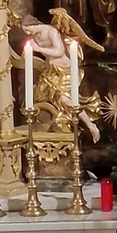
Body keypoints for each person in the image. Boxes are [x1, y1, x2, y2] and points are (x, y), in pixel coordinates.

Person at [23, 12, 103, 142]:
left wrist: (38, 49)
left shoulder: (51, 31)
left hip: (64, 71)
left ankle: (90, 125)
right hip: (50, 72)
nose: (27, 33)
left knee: (66, 100)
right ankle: (51, 125)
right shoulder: (35, 36)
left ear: (33, 24)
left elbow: (59, 51)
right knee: (40, 97)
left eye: (27, 29)